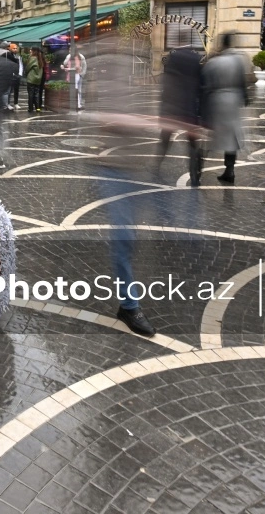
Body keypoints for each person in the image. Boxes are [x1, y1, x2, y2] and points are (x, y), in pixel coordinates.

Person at [80, 35, 160, 337]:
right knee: (124, 237)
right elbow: (99, 117)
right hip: (111, 169)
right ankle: (128, 306)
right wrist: (143, 122)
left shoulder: (135, 73)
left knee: (130, 237)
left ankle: (127, 301)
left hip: (137, 167)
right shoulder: (101, 75)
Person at [201, 33, 249, 184]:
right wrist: (244, 98)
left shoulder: (214, 62)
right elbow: (242, 82)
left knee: (211, 134)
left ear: (222, 44)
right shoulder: (238, 60)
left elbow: (206, 84)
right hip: (233, 100)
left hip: (216, 100)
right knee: (232, 138)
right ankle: (230, 170)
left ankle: (198, 168)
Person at [158, 47, 204, 186]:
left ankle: (156, 165)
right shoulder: (195, 63)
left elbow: (166, 87)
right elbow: (200, 88)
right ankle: (195, 175)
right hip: (189, 107)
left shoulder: (172, 62)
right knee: (192, 143)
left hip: (172, 108)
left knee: (165, 138)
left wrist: (163, 110)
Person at [26, 47, 47, 113]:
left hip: (31, 78)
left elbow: (28, 67)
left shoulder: (33, 58)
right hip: (38, 79)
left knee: (31, 93)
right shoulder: (40, 59)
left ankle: (31, 108)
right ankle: (38, 108)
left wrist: (26, 73)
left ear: (33, 51)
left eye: (31, 50)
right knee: (37, 93)